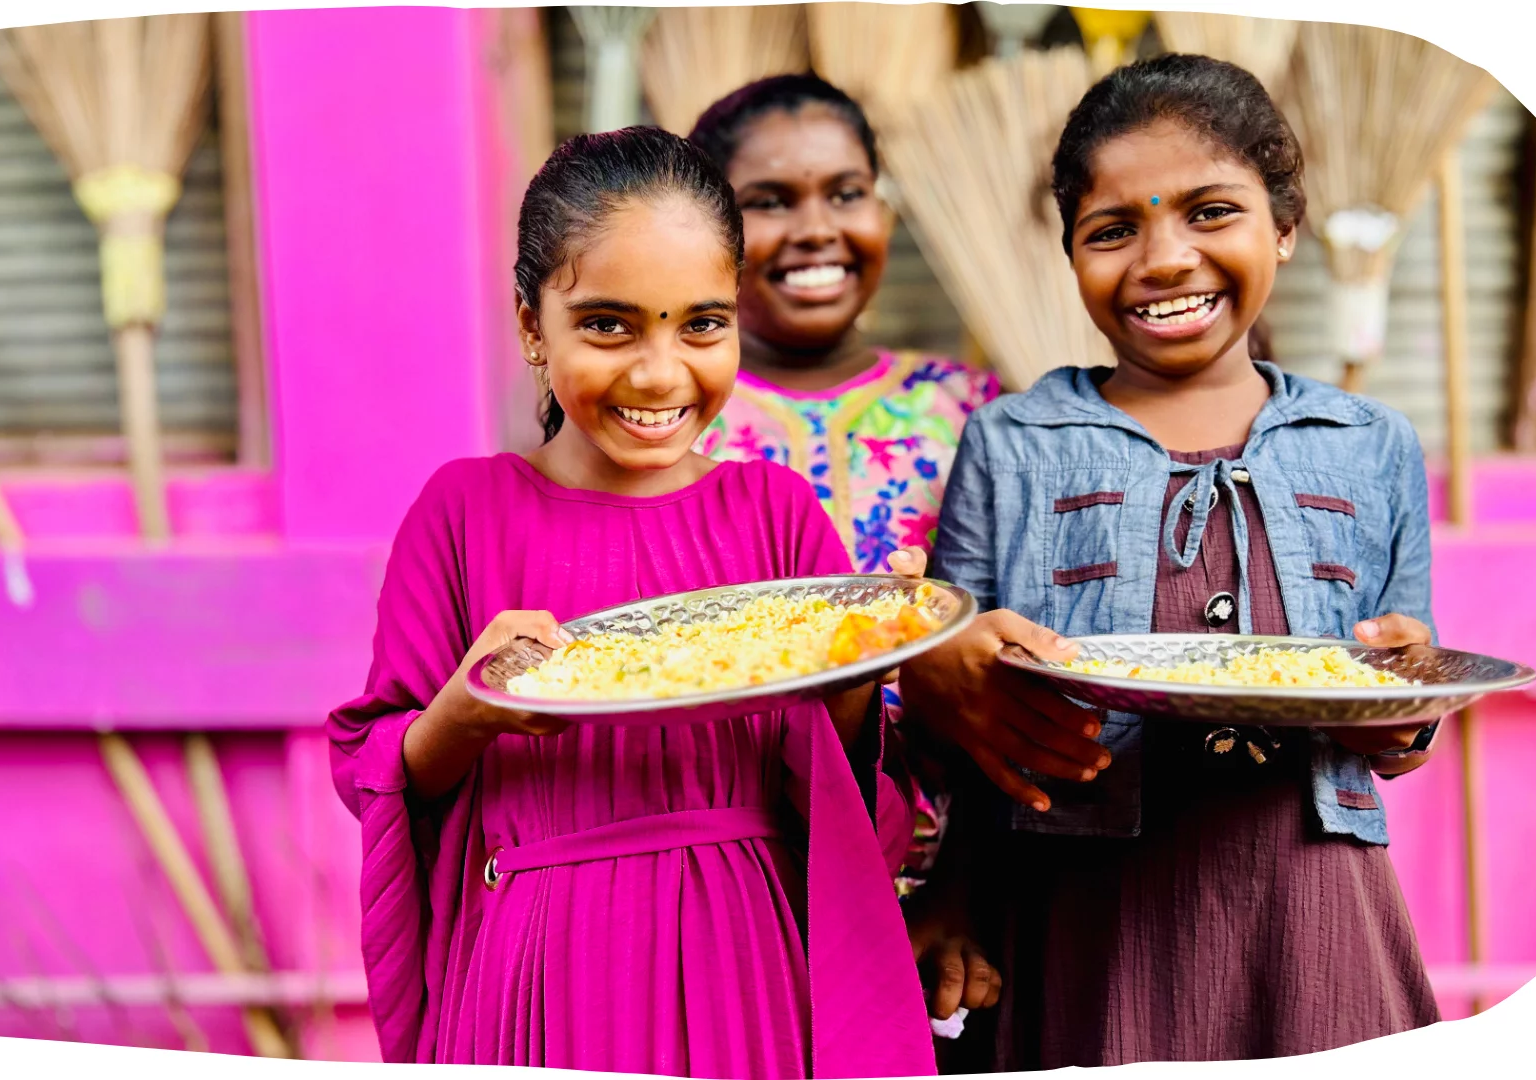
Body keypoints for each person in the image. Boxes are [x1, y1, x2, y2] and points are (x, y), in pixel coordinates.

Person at [328, 126, 935, 1078]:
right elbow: (379, 767)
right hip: (538, 970)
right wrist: (467, 711)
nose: (660, 374)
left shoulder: (772, 513)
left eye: (701, 323)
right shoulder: (463, 512)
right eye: (609, 325)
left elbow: (843, 782)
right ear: (534, 325)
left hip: (749, 962)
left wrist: (869, 654)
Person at [898, 55, 1443, 1068]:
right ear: (1070, 254)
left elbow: (1402, 717)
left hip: (1309, 907)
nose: (1161, 257)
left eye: (1210, 211)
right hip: (1083, 913)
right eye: (1114, 229)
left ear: (1285, 226)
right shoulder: (1011, 443)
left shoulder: (1371, 443)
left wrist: (1408, 701)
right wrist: (955, 891)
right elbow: (963, 715)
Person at [687, 78, 1003, 1016]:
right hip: (738, 881)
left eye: (846, 191)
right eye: (770, 202)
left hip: (946, 890)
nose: (816, 227)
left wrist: (964, 888)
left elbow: (1016, 670)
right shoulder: (669, 424)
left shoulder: (975, 411)